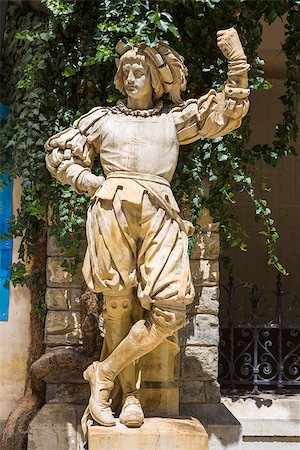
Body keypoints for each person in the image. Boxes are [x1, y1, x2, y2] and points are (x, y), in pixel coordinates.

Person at [45, 28, 249, 429]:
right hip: (112, 207)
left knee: (171, 309)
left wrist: (238, 66)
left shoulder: (174, 121)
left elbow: (224, 112)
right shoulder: (103, 119)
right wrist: (89, 182)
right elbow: (59, 154)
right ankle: (129, 396)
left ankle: (101, 372)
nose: (133, 76)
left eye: (141, 70)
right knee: (118, 303)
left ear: (157, 80)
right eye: (128, 69)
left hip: (160, 211)